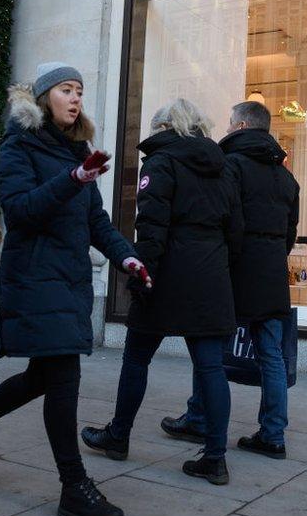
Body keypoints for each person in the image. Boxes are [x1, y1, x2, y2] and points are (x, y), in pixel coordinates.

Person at [0, 62, 141, 516]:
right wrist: (73, 180)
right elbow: (21, 211)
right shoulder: (19, 145)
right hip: (33, 277)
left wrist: (126, 257)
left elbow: (95, 222)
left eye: (80, 91)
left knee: (41, 378)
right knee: (63, 379)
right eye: (66, 89)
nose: (75, 98)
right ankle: (73, 485)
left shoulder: (77, 150)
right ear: (44, 96)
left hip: (68, 279)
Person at [80, 99, 242, 486]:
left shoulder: (160, 162)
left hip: (168, 274)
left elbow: (151, 228)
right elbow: (236, 231)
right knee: (211, 368)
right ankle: (215, 458)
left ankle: (118, 436)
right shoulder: (224, 167)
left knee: (137, 358)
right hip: (211, 275)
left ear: (165, 127)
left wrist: (139, 275)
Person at [158, 101, 299, 459]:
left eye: (230, 122)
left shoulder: (230, 165)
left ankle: (200, 417)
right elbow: (289, 233)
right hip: (270, 274)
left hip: (233, 269)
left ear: (239, 126)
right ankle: (273, 435)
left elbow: (223, 216)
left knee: (211, 349)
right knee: (272, 356)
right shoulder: (286, 176)